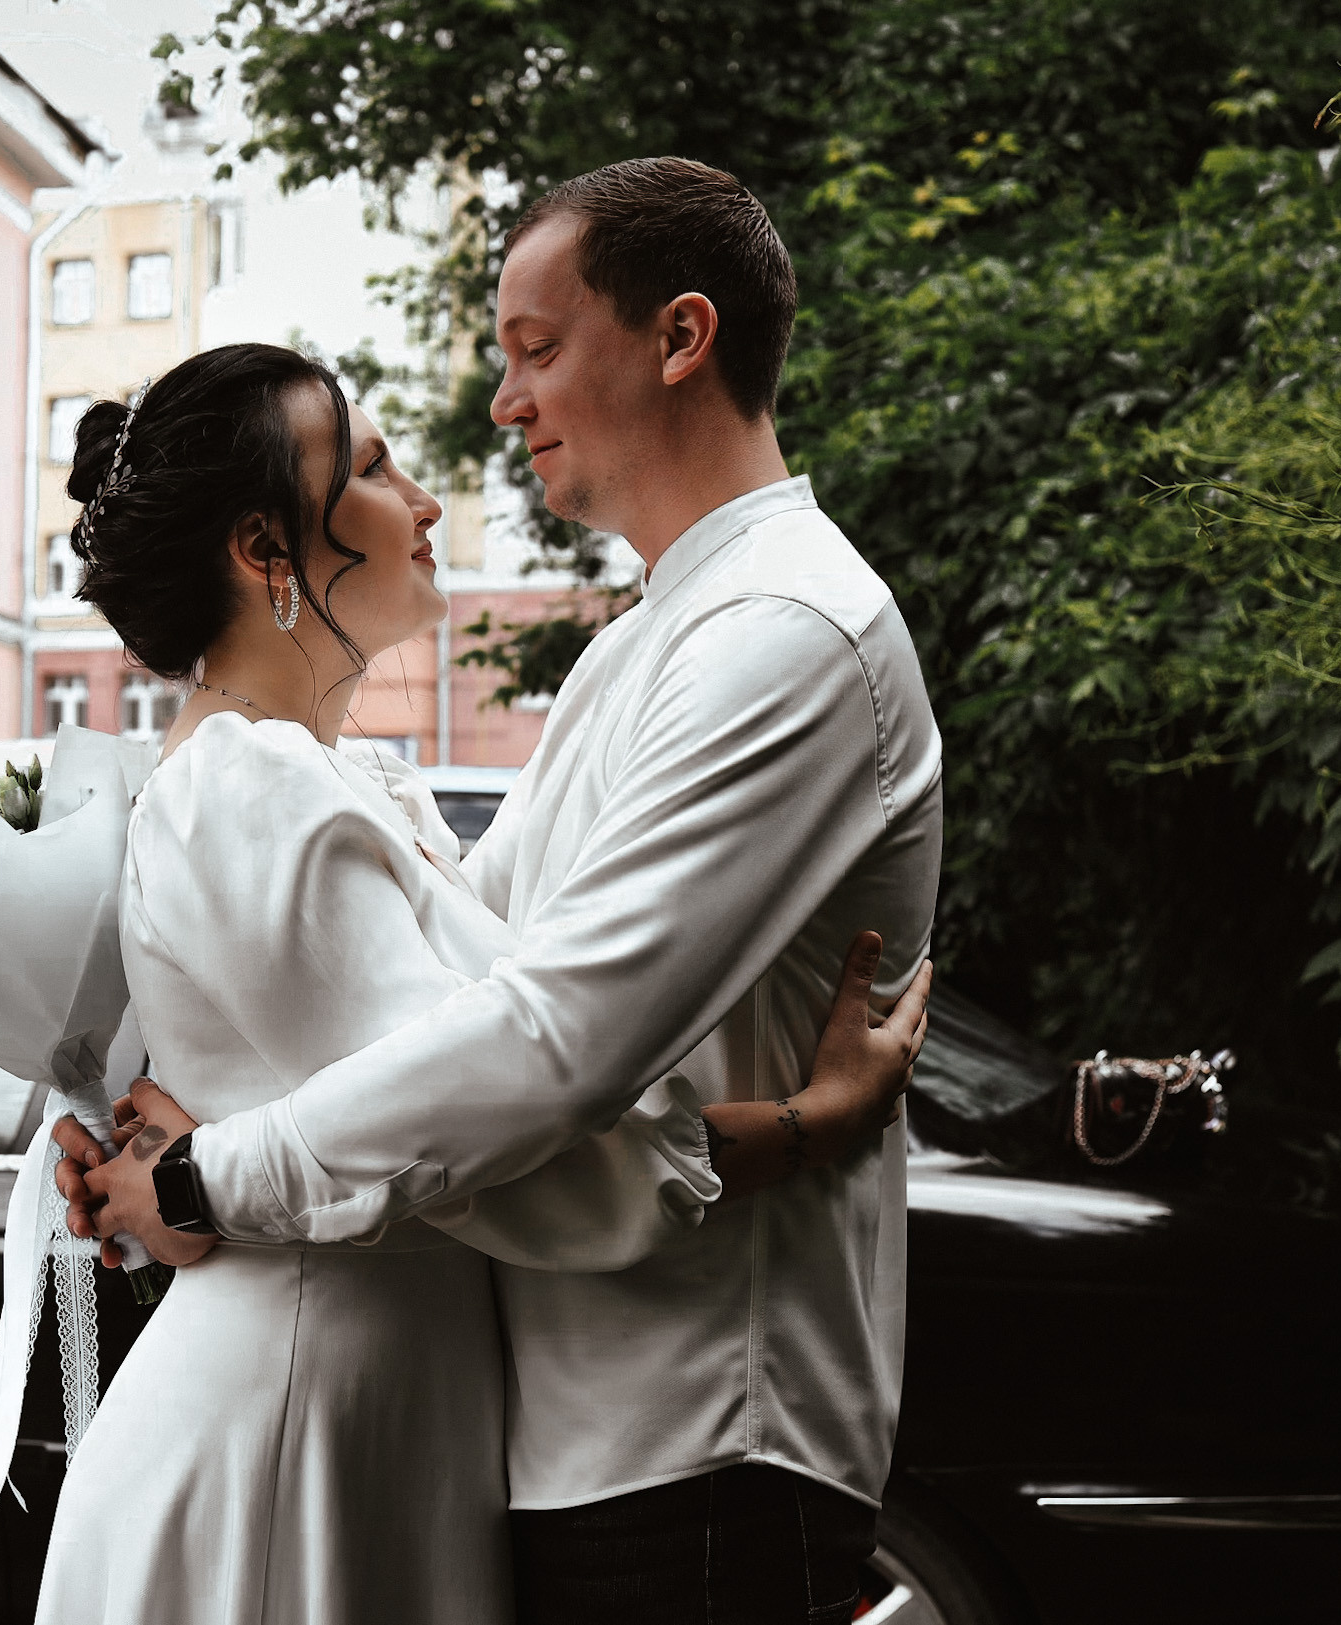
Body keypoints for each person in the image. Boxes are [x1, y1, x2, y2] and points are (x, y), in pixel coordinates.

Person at [71, 158, 947, 1625]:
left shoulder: (782, 633)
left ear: (680, 337)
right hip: (547, 1427)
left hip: (692, 1430)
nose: (500, 404)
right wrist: (177, 1151)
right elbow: (465, 1014)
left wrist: (208, 1177)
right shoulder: (642, 646)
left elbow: (549, 1042)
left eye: (535, 347)